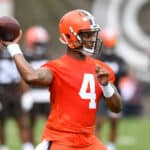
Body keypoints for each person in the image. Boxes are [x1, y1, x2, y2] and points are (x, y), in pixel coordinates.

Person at [0, 9, 122, 150]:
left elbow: (116, 108)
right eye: (87, 35)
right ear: (70, 36)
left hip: (89, 140)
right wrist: (14, 47)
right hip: (61, 140)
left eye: (93, 34)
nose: (92, 39)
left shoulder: (101, 68)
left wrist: (106, 85)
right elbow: (31, 76)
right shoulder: (57, 68)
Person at [94, 28, 128, 150]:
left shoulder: (119, 59)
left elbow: (124, 73)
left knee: (114, 123)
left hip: (115, 94)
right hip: (100, 95)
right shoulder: (98, 58)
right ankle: (97, 146)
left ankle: (111, 146)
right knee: (99, 122)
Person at [20, 25, 51, 150]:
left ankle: (48, 145)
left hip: (46, 94)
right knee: (29, 123)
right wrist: (25, 93)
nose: (40, 47)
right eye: (37, 44)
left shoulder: (47, 56)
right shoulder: (26, 57)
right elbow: (22, 77)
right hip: (32, 94)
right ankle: (29, 146)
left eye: (41, 44)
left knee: (51, 123)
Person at [0, 43, 22, 150]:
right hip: (2, 90)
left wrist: (26, 93)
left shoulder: (14, 50)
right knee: (1, 122)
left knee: (22, 121)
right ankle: (3, 147)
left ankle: (27, 146)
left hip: (15, 90)